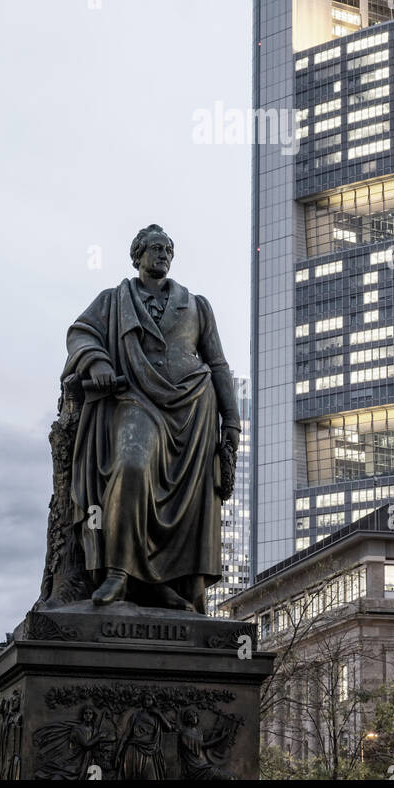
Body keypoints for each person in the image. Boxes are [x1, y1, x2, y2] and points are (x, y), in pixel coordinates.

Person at [64, 224, 240, 613]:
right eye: (155, 249)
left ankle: (165, 585)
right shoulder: (113, 300)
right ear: (137, 256)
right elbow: (80, 334)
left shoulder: (196, 305)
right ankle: (118, 572)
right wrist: (97, 362)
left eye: (168, 250)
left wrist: (232, 421)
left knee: (191, 502)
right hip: (136, 399)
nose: (162, 255)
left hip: (194, 408)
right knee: (130, 465)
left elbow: (219, 363)